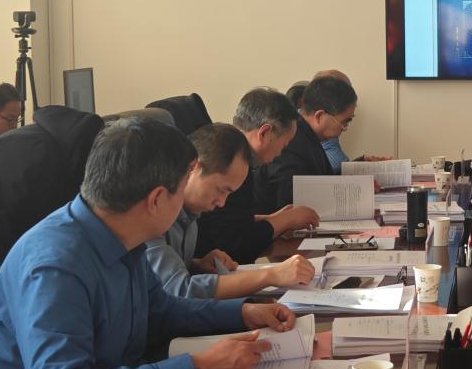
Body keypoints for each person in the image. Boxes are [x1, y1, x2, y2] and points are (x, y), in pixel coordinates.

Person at [0, 117, 292, 369]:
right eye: (182, 189)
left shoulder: (121, 236)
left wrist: (243, 313)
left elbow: (161, 310)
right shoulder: (56, 266)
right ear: (156, 199)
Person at [144, 122, 315, 298]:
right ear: (194, 167)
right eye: (221, 190)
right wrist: (271, 275)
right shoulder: (153, 214)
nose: (221, 203)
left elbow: (159, 276)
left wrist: (196, 264)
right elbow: (179, 291)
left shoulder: (191, 214)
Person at [195, 88, 319, 263]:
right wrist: (284, 220)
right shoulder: (230, 166)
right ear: (265, 133)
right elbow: (233, 242)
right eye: (284, 145)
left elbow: (235, 221)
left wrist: (273, 219)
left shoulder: (241, 159)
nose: (280, 153)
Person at [254, 75, 355, 211]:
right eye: (344, 122)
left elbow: (320, 180)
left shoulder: (308, 133)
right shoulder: (290, 139)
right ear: (319, 116)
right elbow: (291, 202)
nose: (344, 128)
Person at [312, 69, 391, 173]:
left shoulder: (324, 127)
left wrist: (360, 163)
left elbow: (325, 173)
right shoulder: (297, 137)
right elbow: (330, 170)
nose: (344, 129)